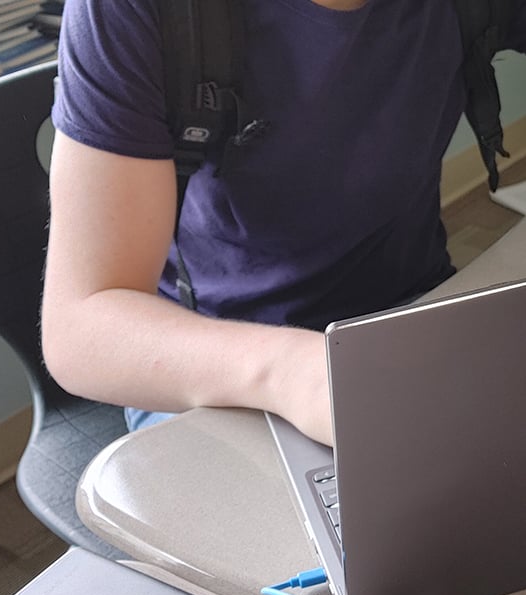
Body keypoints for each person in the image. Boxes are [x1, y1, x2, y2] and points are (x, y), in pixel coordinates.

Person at [41, 0, 526, 447]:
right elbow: (82, 325)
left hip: (415, 316)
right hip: (220, 370)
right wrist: (298, 375)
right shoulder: (136, 10)